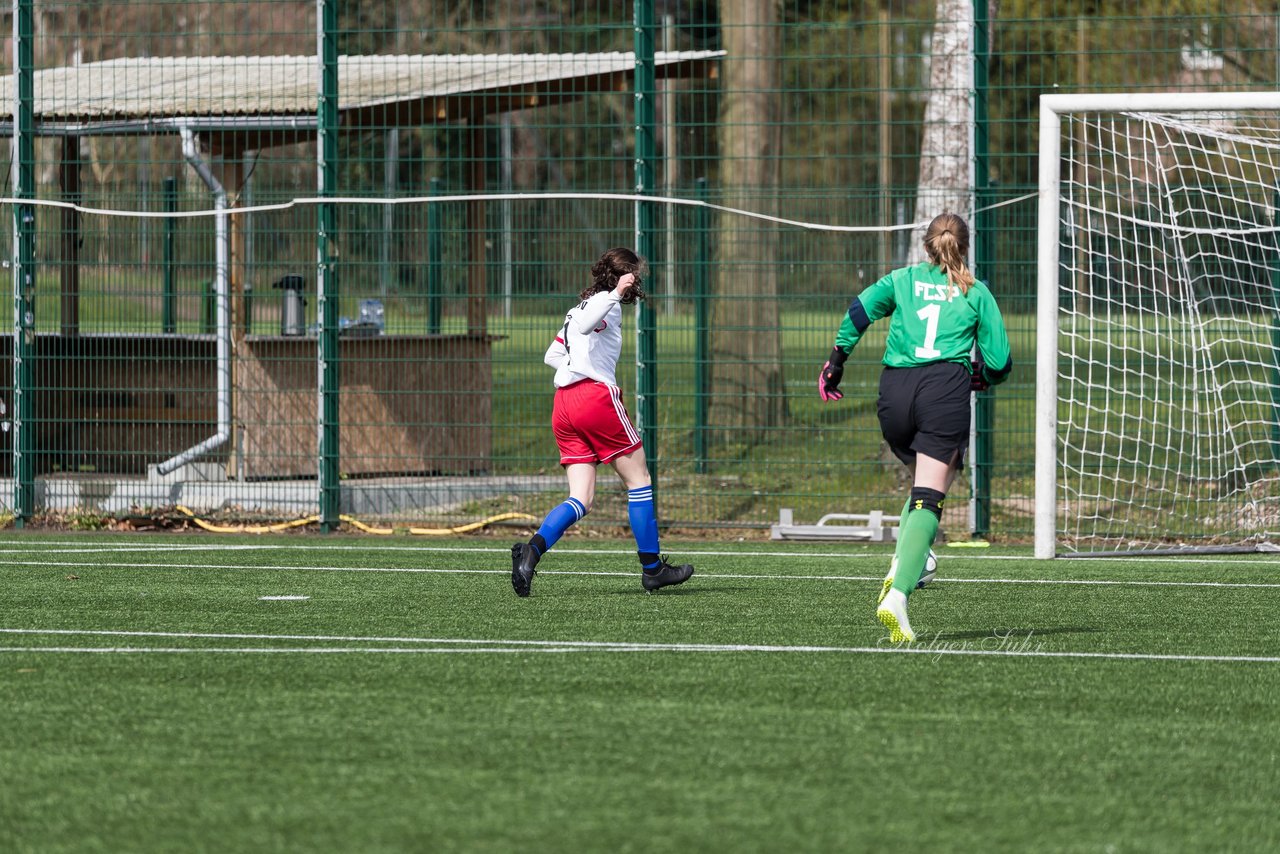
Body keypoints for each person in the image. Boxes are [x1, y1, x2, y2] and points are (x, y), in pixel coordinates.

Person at [818, 213, 1011, 642]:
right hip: (943, 388)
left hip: (895, 394)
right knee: (930, 494)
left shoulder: (901, 279)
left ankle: (912, 557)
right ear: (964, 248)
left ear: (927, 246)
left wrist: (836, 362)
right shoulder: (976, 292)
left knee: (924, 484)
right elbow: (999, 363)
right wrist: (980, 377)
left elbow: (859, 311)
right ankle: (899, 591)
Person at [511, 247, 694, 597]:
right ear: (625, 277)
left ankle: (531, 551)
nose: (638, 284)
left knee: (581, 497)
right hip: (594, 399)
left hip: (564, 404)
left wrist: (572, 371)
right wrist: (615, 293)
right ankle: (653, 570)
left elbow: (552, 354)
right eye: (635, 277)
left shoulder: (578, 306)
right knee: (639, 480)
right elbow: (585, 323)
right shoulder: (603, 303)